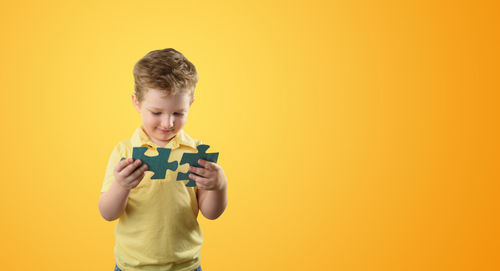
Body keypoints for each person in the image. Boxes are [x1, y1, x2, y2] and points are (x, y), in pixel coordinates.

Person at [98, 48, 228, 271]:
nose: (168, 123)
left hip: (186, 266)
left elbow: (211, 213)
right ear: (136, 103)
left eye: (178, 113)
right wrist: (121, 185)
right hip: (132, 266)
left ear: (190, 105)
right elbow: (108, 213)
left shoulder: (195, 151)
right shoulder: (125, 152)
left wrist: (219, 185)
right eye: (156, 112)